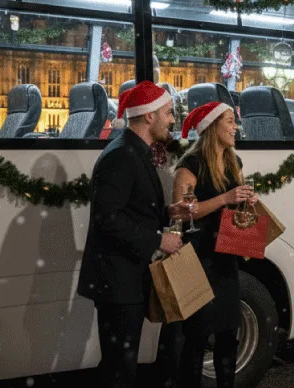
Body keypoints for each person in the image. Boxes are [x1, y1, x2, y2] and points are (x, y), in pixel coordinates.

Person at [76, 81, 193, 388]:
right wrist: (159, 240)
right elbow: (108, 219)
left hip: (124, 279)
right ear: (149, 116)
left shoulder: (132, 150)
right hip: (118, 282)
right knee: (120, 369)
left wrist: (169, 213)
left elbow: (127, 210)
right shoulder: (122, 155)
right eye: (168, 113)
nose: (172, 120)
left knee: (120, 365)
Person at [172, 101, 257, 387]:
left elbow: (235, 205)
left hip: (225, 257)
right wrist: (225, 198)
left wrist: (247, 202)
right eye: (230, 121)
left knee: (228, 335)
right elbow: (182, 212)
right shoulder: (190, 164)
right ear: (211, 126)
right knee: (196, 337)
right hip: (197, 258)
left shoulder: (235, 162)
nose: (236, 127)